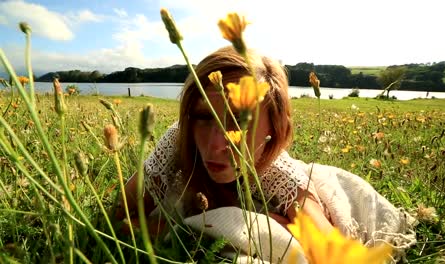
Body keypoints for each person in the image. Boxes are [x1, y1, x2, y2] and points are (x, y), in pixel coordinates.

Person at [116, 46, 415, 255]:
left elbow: (328, 248)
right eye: (204, 118)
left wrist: (259, 223)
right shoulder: (178, 139)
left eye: (239, 122)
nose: (216, 146)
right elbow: (119, 215)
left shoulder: (277, 173)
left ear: (274, 130)